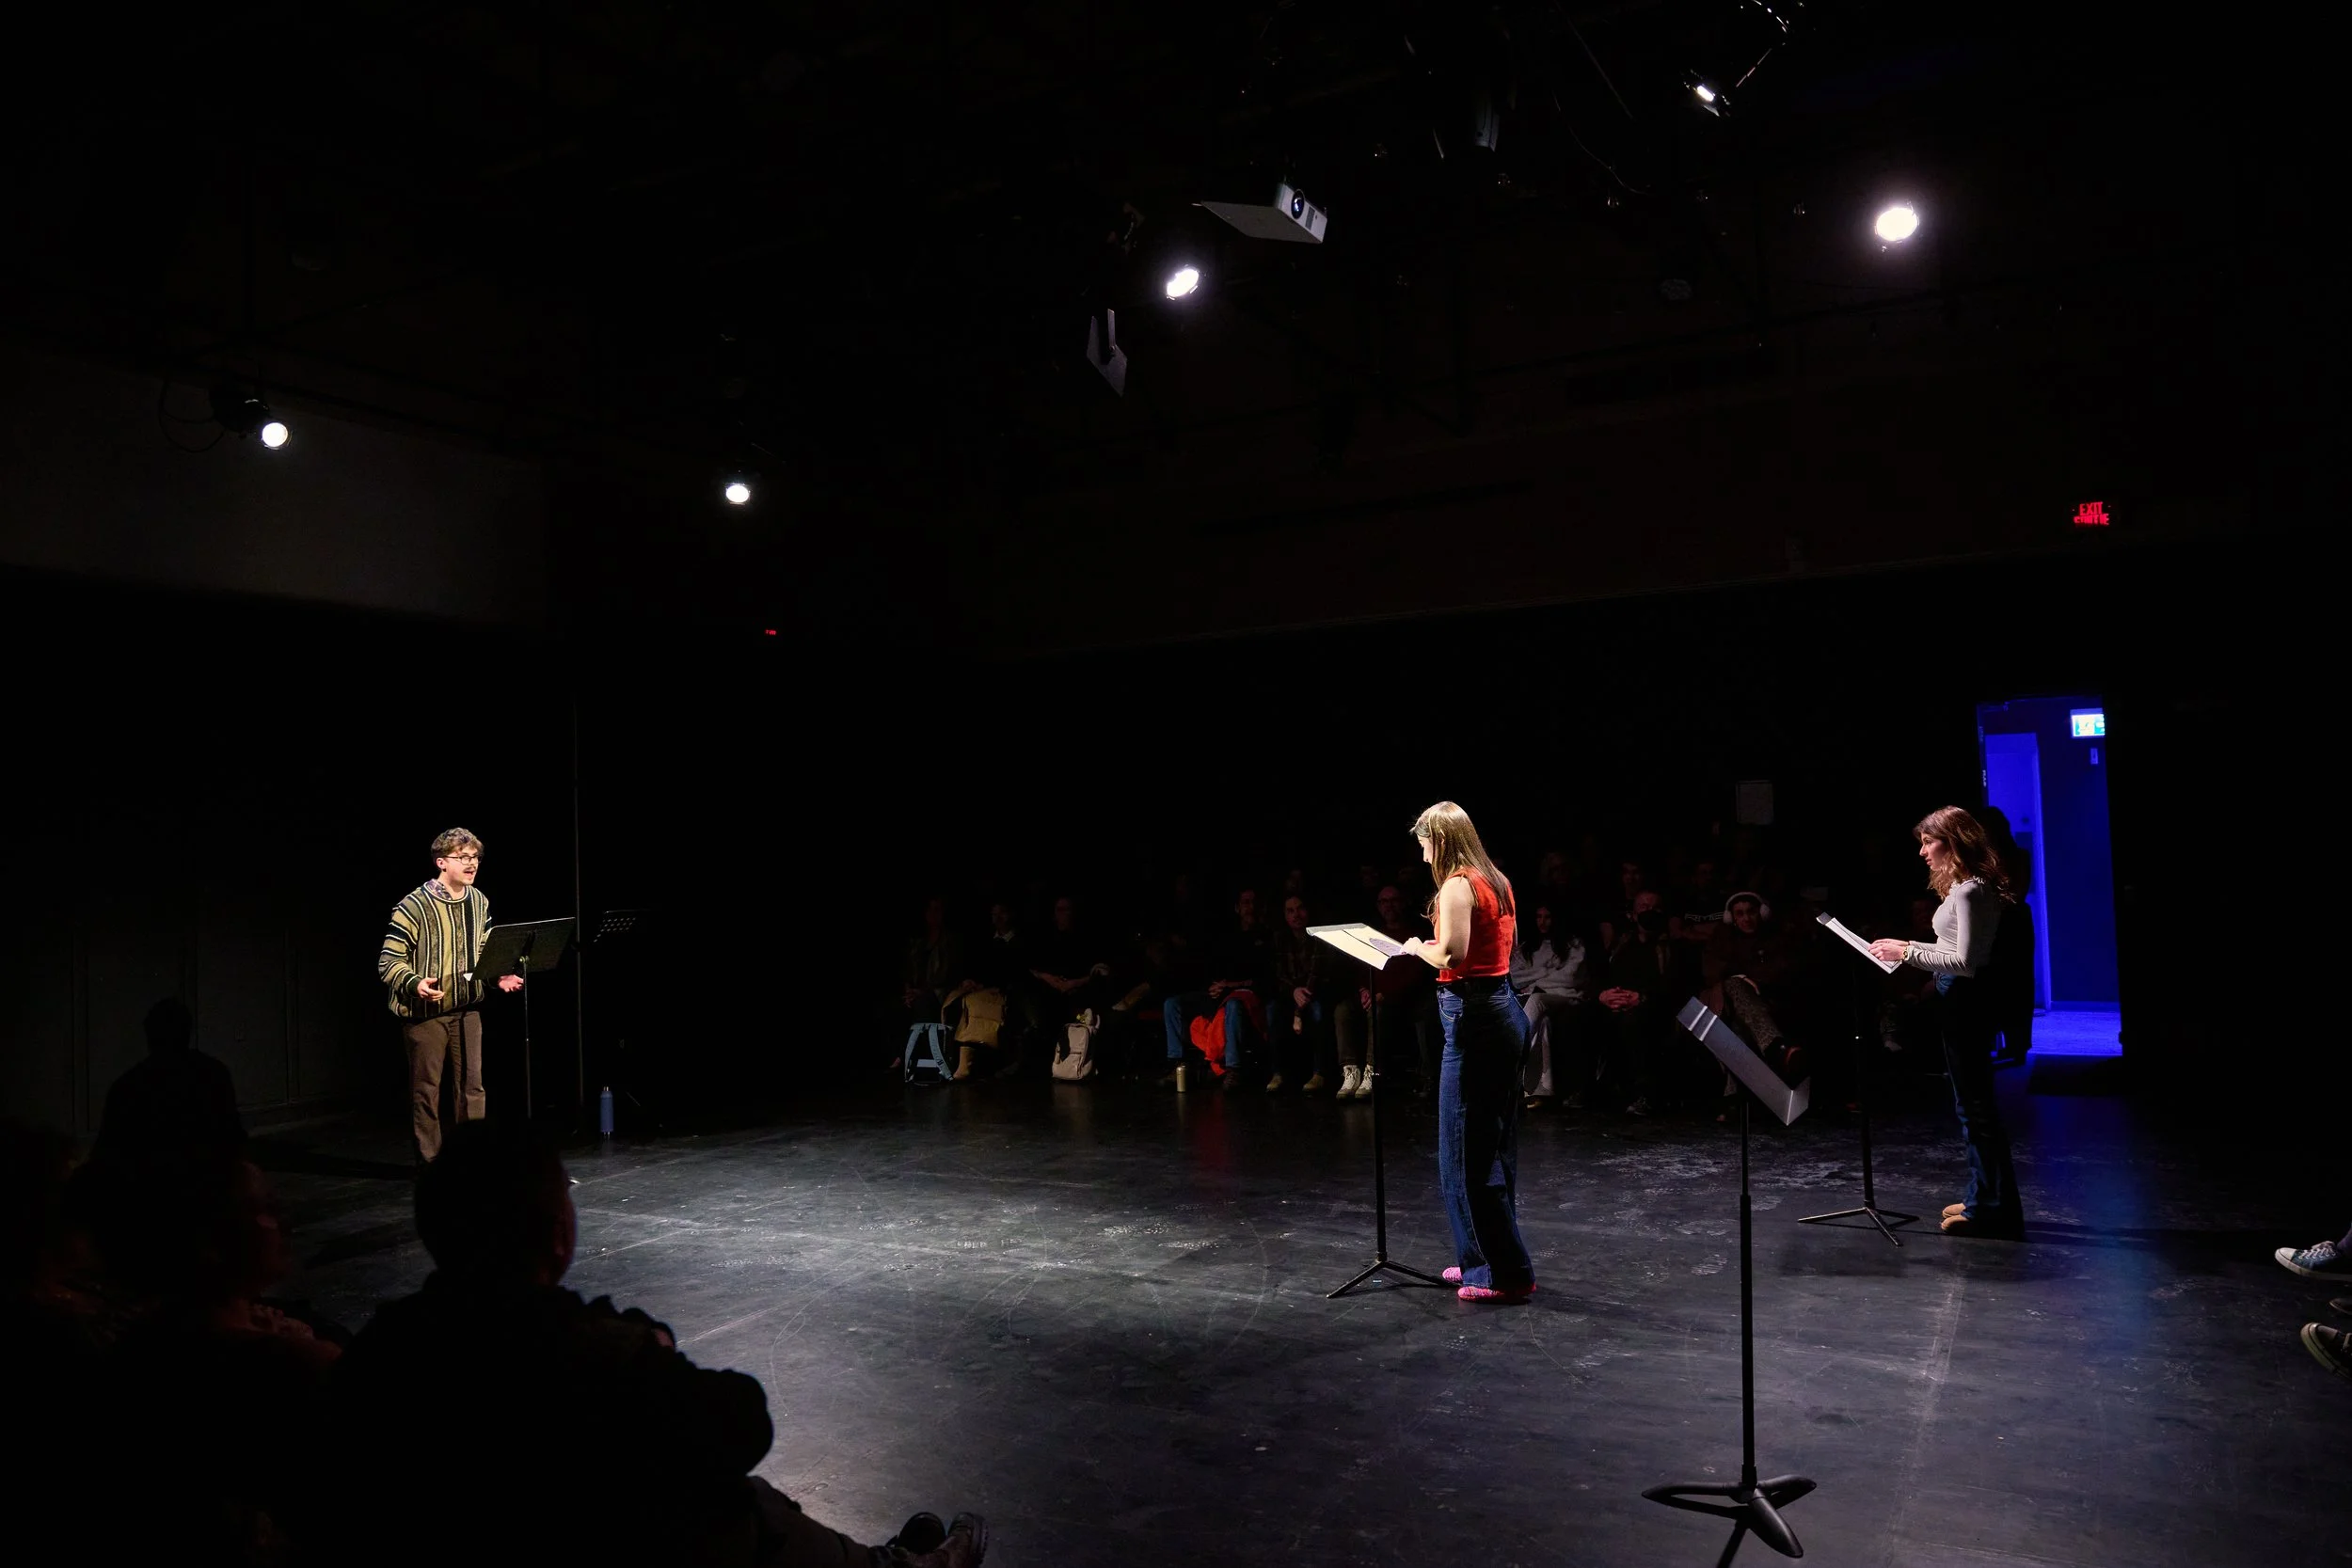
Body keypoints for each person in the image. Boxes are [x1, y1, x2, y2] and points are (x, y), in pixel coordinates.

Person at [310, 1121, 988, 1567]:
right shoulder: (589, 1349)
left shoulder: (382, 1347)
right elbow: (743, 1420)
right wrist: (650, 1347)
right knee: (729, 1499)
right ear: (556, 1235)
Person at [1402, 802, 1535, 1304]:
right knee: (1491, 1146)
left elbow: (1452, 954)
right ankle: (1482, 1259)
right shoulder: (1495, 879)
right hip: (1500, 1010)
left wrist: (1418, 947)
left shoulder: (1458, 884)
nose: (1423, 856)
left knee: (1464, 1151)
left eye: (1424, 845)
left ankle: (1505, 1273)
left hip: (1476, 1018)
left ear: (1440, 839)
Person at [1870, 806, 2023, 1239]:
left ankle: (1992, 1207)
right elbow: (1948, 944)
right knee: (1968, 1105)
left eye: (1928, 842)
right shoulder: (1961, 888)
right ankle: (1984, 1195)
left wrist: (1906, 954)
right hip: (1955, 995)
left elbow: (1966, 962)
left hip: (1967, 998)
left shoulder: (1972, 891)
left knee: (1975, 1108)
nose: (1922, 851)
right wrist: (1907, 944)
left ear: (1952, 842)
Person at [378, 828, 526, 1164]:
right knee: (427, 1092)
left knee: (472, 1089)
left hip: (468, 1009)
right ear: (442, 862)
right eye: (463, 858)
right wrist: (415, 982)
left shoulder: (479, 901)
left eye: (475, 858)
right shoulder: (413, 906)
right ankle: (431, 1164)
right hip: (424, 1013)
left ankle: (470, 1160)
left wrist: (498, 975)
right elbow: (388, 961)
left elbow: (484, 954)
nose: (472, 864)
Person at [1159, 887, 1276, 1089]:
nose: (1250, 908)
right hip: (1219, 994)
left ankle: (1233, 1069)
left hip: (1247, 998)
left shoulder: (1267, 938)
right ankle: (1177, 1065)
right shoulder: (1227, 937)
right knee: (1173, 1004)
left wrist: (1230, 986)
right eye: (1245, 903)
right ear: (1237, 908)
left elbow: (1264, 980)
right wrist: (1212, 986)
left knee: (1233, 1006)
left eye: (1253, 903)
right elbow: (1211, 970)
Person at [1265, 893, 1360, 1094]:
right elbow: (1279, 974)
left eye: (1300, 908)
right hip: (1290, 994)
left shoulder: (1317, 937)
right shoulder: (1280, 939)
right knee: (1273, 1010)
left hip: (1316, 993)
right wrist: (1293, 992)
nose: (1296, 915)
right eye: (1290, 911)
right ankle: (1278, 1073)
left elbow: (1318, 974)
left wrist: (1299, 1008)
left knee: (1318, 1012)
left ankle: (1319, 1073)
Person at [1512, 903, 1591, 1111]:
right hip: (1537, 999)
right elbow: (1517, 977)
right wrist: (1548, 974)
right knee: (1542, 1021)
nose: (1543, 922)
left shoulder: (1573, 945)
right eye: (1539, 916)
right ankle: (1538, 1092)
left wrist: (1537, 979)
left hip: (1566, 998)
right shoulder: (1527, 947)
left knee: (1537, 1000)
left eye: (1547, 916)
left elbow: (1569, 979)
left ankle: (1513, 1054)